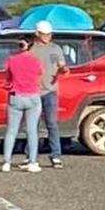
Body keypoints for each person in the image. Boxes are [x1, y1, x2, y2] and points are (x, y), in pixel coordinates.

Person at [2, 36, 44, 173]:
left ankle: (6, 162)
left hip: (16, 95)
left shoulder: (11, 59)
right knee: (32, 131)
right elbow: (39, 75)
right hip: (32, 95)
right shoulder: (36, 60)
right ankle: (32, 161)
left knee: (11, 131)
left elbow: (7, 77)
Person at [30, 21, 69, 168]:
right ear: (37, 34)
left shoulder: (56, 48)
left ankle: (55, 155)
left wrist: (63, 69)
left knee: (52, 124)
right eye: (45, 34)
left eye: (49, 34)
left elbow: (62, 65)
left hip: (50, 91)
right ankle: (31, 156)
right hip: (33, 91)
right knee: (32, 125)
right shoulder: (31, 49)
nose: (48, 36)